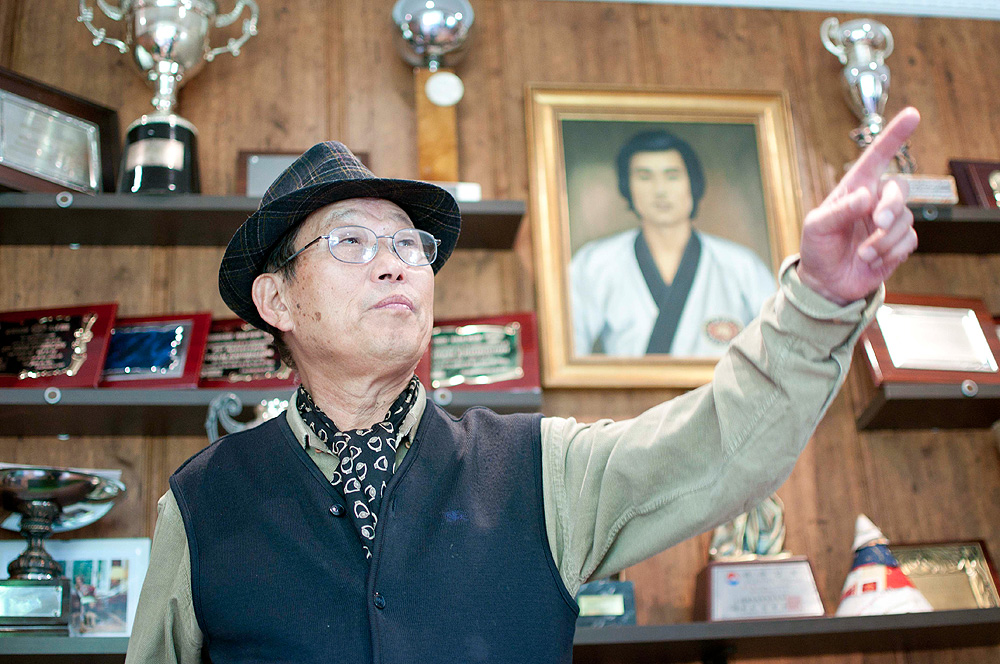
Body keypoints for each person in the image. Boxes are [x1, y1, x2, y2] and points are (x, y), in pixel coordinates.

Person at [125, 108, 921, 664]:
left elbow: (722, 446)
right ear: (276, 300)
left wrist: (820, 301)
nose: (395, 262)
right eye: (351, 242)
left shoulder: (543, 469)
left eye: (409, 244)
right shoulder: (201, 503)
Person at [570, 130, 778, 357]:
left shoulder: (742, 267)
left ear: (693, 183)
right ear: (627, 186)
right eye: (644, 177)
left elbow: (778, 350)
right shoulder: (594, 264)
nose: (660, 191)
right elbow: (569, 351)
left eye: (672, 176)